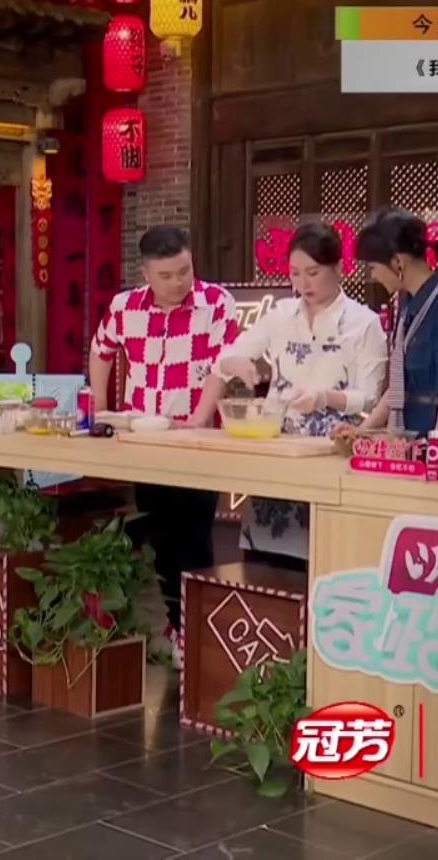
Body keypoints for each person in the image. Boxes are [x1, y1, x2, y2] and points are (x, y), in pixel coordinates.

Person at [89, 225, 238, 667]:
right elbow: (101, 350)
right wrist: (99, 406)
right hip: (143, 442)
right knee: (160, 538)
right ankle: (177, 630)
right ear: (146, 273)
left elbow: (223, 365)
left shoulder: (216, 303)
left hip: (196, 444)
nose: (178, 282)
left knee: (194, 539)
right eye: (166, 275)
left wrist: (200, 417)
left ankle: (197, 635)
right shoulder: (125, 306)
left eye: (184, 271)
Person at [213, 222, 387, 566]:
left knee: (323, 557)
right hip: (277, 450)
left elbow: (368, 396)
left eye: (313, 272)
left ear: (339, 268)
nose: (303, 283)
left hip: (331, 450)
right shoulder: (280, 315)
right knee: (264, 565)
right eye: (295, 273)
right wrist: (238, 364)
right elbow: (224, 359)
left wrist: (325, 398)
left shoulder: (363, 323)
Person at [352, 207, 438, 436]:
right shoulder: (407, 302)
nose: (373, 275)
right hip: (414, 439)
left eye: (373, 267)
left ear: (397, 262)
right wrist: (361, 432)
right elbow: (399, 385)